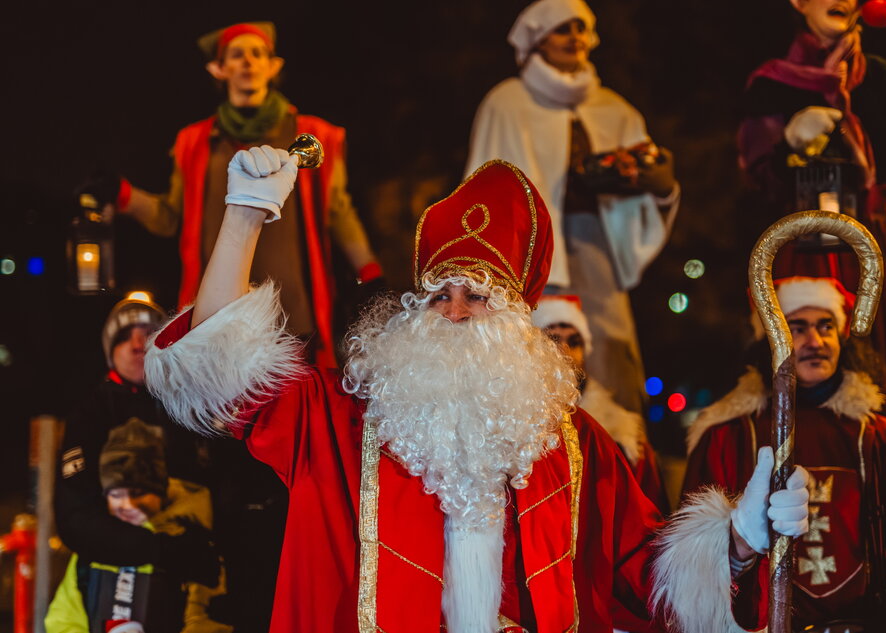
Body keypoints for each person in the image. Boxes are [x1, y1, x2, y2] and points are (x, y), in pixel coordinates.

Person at [143, 145, 810, 632]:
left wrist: (740, 538)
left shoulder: (574, 444)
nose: (456, 312)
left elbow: (650, 574)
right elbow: (216, 373)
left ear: (519, 318)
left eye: (478, 296)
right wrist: (244, 217)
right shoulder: (341, 419)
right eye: (439, 295)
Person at [737, 0, 886, 513]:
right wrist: (788, 142)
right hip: (807, 244)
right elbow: (758, 175)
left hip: (881, 239)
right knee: (809, 352)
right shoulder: (771, 84)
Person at [93, 21, 382, 366]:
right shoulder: (194, 143)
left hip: (293, 314)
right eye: (237, 54)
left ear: (273, 66)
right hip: (220, 314)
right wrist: (123, 194)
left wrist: (370, 271)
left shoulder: (312, 135)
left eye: (257, 53)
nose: (248, 61)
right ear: (219, 69)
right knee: (221, 414)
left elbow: (338, 210)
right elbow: (170, 219)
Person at [683, 276, 886, 632]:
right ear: (772, 337)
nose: (816, 341)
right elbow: (694, 546)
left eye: (826, 326)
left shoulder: (880, 437)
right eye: (798, 327)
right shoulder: (727, 436)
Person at [466, 0, 680, 414]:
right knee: (530, 357)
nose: (574, 38)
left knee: (610, 358)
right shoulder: (506, 104)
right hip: (529, 253)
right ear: (537, 38)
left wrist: (661, 187)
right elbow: (482, 187)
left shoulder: (614, 109)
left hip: (598, 249)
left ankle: (618, 457)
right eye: (562, 29)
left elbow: (648, 180)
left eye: (580, 28)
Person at [55, 293, 219, 595]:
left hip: (195, 575)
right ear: (109, 350)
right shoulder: (90, 414)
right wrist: (162, 550)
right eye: (124, 337)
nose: (137, 344)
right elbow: (75, 517)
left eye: (148, 336)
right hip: (115, 576)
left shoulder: (191, 406)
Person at [46, 418, 229, 633]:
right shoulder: (93, 548)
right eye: (116, 494)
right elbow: (62, 621)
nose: (128, 505)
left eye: (139, 493)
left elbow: (207, 621)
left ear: (160, 491)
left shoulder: (188, 540)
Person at [531, 294, 669, 513]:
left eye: (574, 342)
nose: (565, 351)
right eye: (553, 339)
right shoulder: (516, 423)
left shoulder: (623, 435)